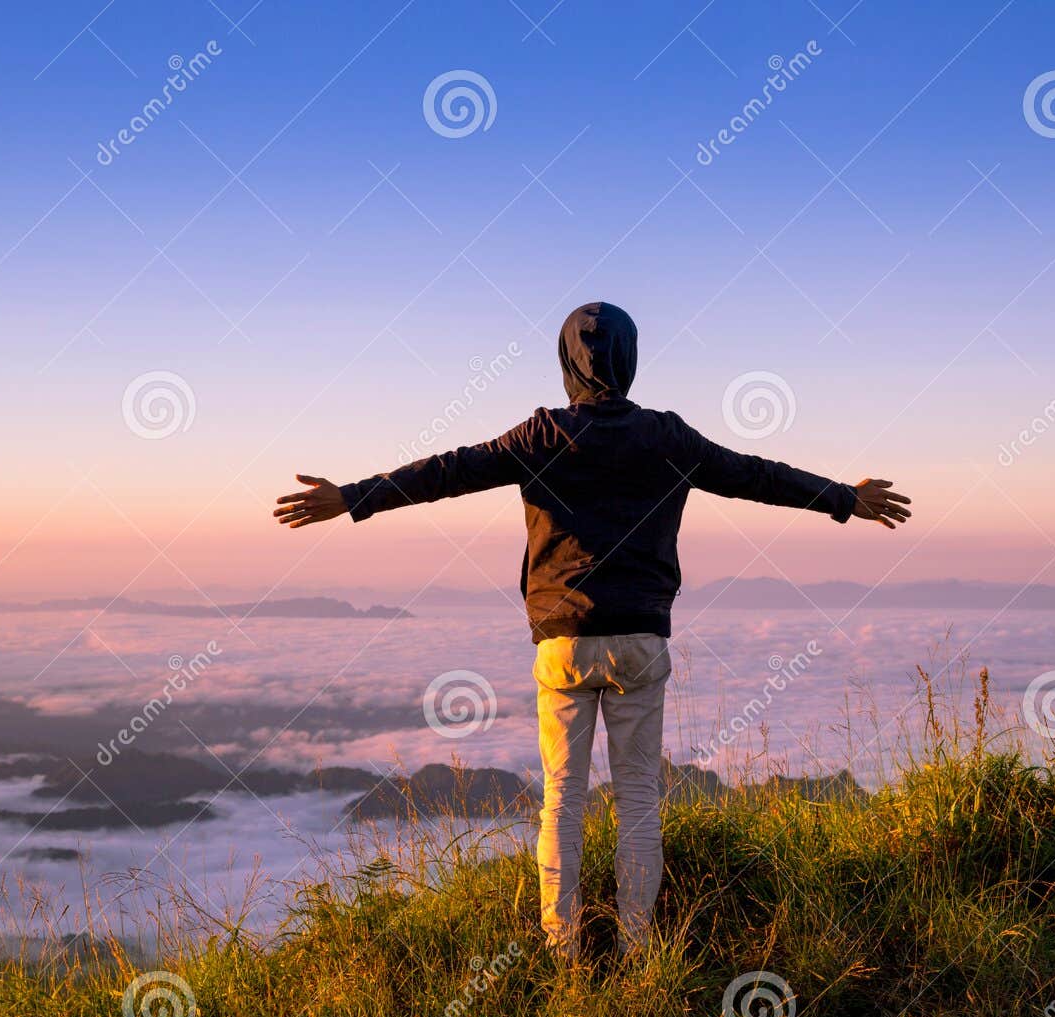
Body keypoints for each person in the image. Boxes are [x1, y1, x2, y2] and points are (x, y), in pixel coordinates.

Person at [272, 302, 911, 958]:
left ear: (565, 362)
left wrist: (353, 496)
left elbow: (446, 472)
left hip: (564, 643)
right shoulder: (669, 436)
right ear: (630, 360)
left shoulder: (540, 436)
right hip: (639, 639)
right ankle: (638, 952)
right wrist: (842, 497)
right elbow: (755, 476)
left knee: (562, 801)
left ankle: (563, 954)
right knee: (638, 799)